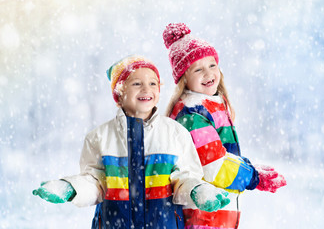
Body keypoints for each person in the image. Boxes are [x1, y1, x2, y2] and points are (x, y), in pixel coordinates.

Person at [33, 55, 231, 229]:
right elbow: (95, 181)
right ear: (119, 93)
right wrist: (71, 187)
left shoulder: (175, 133)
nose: (147, 88)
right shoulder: (100, 137)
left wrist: (198, 190)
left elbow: (185, 177)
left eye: (153, 83)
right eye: (137, 83)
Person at [162, 23, 287, 228]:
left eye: (212, 65)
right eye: (198, 69)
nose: (208, 73)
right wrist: (253, 177)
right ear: (184, 77)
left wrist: (248, 168)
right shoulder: (192, 114)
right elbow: (214, 165)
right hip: (202, 215)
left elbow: (221, 155)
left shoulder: (210, 106)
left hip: (216, 215)